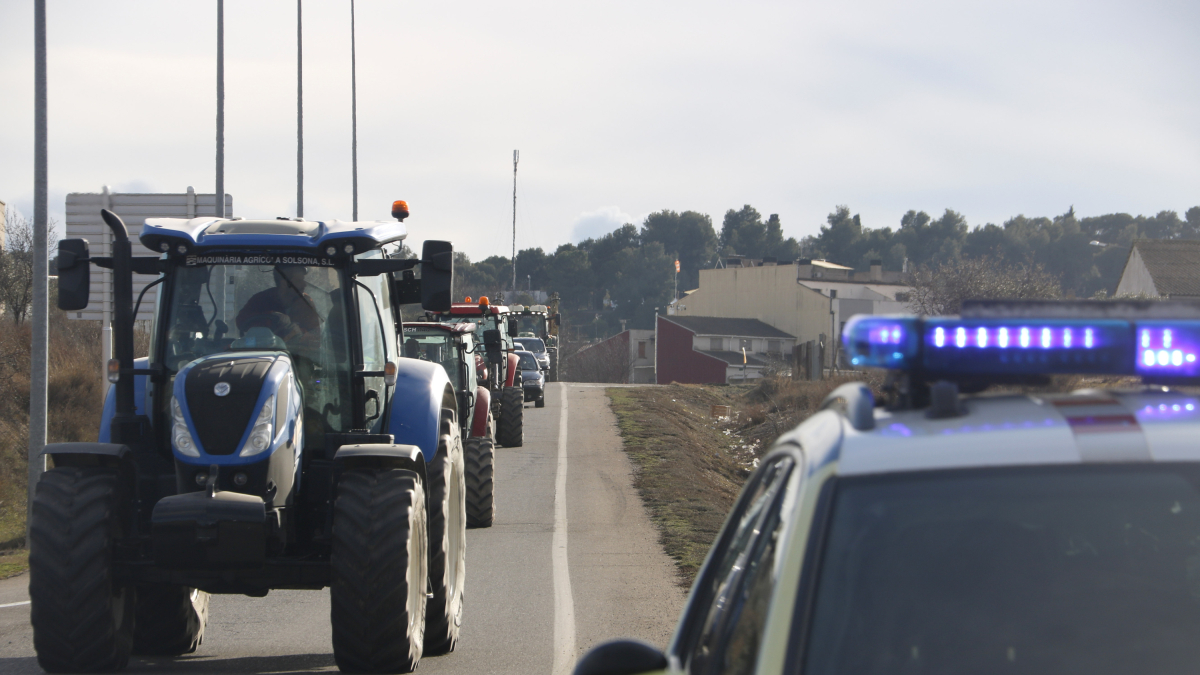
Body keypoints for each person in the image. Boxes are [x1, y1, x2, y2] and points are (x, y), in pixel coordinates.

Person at [236, 265, 321, 341]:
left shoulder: (305, 303)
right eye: (299, 281)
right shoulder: (260, 300)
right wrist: (272, 319)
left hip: (296, 354)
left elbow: (316, 337)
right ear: (284, 283)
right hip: (263, 351)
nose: (304, 284)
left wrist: (295, 331)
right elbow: (241, 321)